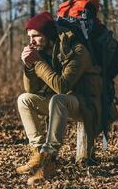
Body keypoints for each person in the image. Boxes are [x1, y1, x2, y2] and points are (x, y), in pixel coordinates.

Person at [16, 11, 103, 185]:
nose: (31, 41)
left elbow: (62, 86)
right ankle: (39, 152)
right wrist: (29, 66)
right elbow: (32, 90)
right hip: (63, 103)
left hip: (87, 104)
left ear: (48, 35)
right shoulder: (46, 50)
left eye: (36, 36)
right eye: (29, 37)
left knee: (58, 99)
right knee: (24, 99)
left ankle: (50, 160)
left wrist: (38, 62)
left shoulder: (77, 50)